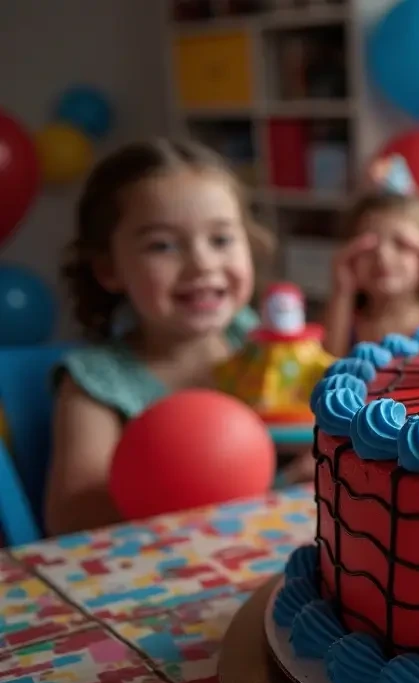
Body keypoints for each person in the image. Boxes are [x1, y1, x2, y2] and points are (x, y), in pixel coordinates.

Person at [47, 138, 272, 535]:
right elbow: (71, 518)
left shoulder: (263, 345)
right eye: (162, 246)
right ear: (109, 269)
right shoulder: (97, 383)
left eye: (220, 239)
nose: (202, 264)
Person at [321, 191, 419, 357]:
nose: (383, 255)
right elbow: (330, 366)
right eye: (369, 245)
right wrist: (342, 292)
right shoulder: (347, 321)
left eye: (401, 244)